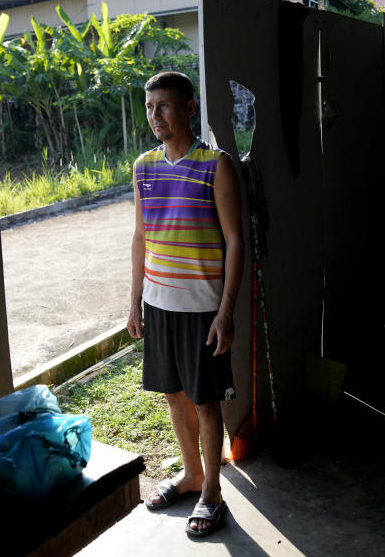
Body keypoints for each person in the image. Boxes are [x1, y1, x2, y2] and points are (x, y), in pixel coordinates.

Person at [127, 71, 243, 538]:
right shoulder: (142, 166)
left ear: (190, 108)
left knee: (205, 401)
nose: (155, 116)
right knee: (174, 395)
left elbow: (235, 240)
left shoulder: (216, 165)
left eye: (165, 106)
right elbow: (140, 237)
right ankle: (191, 474)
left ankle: (212, 490)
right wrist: (134, 301)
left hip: (202, 308)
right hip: (158, 305)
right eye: (150, 107)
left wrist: (226, 311)